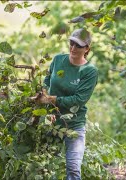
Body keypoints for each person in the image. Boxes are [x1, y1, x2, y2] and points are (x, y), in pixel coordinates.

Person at [31, 28, 98, 180]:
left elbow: (79, 100)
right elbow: (47, 82)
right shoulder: (58, 60)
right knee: (44, 165)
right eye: (71, 43)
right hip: (51, 120)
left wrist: (52, 99)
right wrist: (42, 94)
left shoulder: (89, 71)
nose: (73, 48)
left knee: (73, 168)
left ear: (87, 48)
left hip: (74, 124)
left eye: (78, 45)